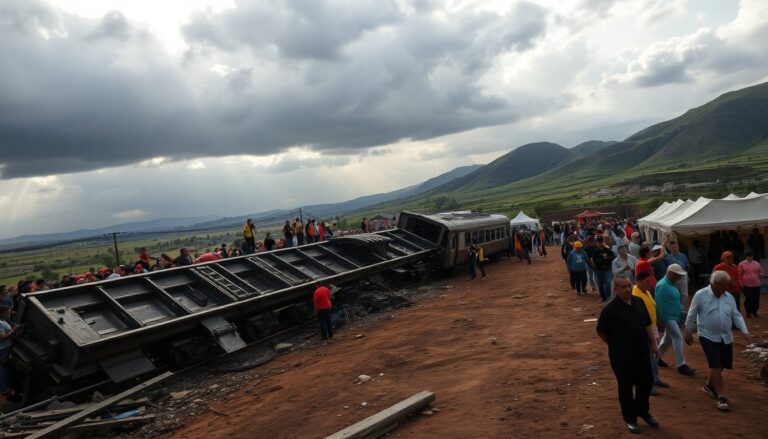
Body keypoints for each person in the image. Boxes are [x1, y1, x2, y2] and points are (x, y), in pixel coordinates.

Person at [597, 276, 660, 434]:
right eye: (623, 287)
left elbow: (647, 324)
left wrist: (653, 344)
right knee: (625, 387)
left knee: (646, 382)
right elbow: (601, 331)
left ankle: (643, 411)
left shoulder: (639, 302)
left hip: (642, 351)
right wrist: (614, 344)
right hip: (621, 356)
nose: (627, 289)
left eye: (629, 286)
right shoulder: (609, 309)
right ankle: (630, 419)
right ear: (616, 289)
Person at [684, 271, 750, 412]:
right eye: (725, 285)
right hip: (707, 335)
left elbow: (736, 315)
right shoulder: (701, 295)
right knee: (716, 364)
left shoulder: (729, 297)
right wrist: (688, 331)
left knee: (721, 365)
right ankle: (721, 396)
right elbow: (692, 313)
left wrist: (744, 331)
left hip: (725, 336)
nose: (727, 288)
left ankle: (709, 385)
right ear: (715, 284)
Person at [655, 264, 696, 376]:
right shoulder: (663, 285)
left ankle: (656, 357)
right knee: (677, 337)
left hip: (672, 316)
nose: (679, 277)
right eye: (678, 275)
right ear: (670, 274)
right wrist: (661, 319)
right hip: (668, 317)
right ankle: (681, 365)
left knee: (667, 340)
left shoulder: (670, 284)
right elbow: (658, 303)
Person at [632, 271, 669, 394]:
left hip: (652, 328)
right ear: (639, 282)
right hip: (643, 330)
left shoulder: (646, 292)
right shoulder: (635, 294)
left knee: (653, 355)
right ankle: (647, 383)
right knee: (646, 358)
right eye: (647, 281)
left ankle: (655, 378)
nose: (650, 284)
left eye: (650, 281)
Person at [738, 249, 764, 318]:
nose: (749, 258)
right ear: (745, 257)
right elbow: (739, 275)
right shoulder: (741, 264)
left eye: (750, 256)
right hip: (746, 285)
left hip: (756, 284)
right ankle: (748, 312)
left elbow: (761, 271)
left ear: (752, 256)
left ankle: (755, 312)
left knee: (756, 299)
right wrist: (741, 283)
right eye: (747, 256)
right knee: (749, 299)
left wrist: (761, 274)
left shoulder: (756, 263)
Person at [590, 235, 616, 303]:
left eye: (601, 241)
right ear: (596, 242)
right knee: (601, 284)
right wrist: (603, 259)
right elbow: (595, 260)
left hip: (607, 269)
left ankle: (608, 297)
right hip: (599, 270)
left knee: (608, 283)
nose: (600, 243)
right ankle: (603, 297)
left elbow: (613, 258)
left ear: (603, 241)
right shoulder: (595, 251)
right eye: (598, 241)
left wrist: (607, 258)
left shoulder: (608, 250)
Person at [666, 241, 690, 308]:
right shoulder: (668, 257)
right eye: (673, 247)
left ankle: (682, 308)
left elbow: (687, 266)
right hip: (672, 278)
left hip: (682, 277)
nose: (675, 249)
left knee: (684, 294)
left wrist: (686, 270)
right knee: (675, 293)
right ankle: (676, 307)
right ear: (670, 248)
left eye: (676, 247)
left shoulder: (683, 256)